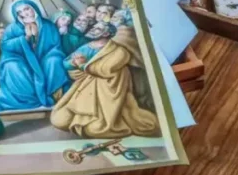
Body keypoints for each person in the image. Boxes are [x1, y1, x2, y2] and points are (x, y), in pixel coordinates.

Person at [50, 10, 159, 139]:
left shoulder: (120, 50)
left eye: (98, 29)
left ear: (107, 33)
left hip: (108, 93)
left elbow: (105, 69)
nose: (93, 29)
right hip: (85, 88)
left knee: (94, 130)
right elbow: (68, 61)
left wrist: (82, 65)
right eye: (94, 27)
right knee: (59, 120)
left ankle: (110, 122)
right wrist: (73, 62)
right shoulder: (87, 46)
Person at [0, 0, 70, 112]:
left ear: (34, 9)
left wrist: (50, 54)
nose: (24, 13)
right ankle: (26, 102)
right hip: (21, 59)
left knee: (54, 60)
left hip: (43, 57)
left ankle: (53, 97)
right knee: (11, 66)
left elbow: (55, 46)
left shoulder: (48, 25)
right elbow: (5, 45)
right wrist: (24, 39)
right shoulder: (12, 28)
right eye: (19, 12)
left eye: (26, 9)